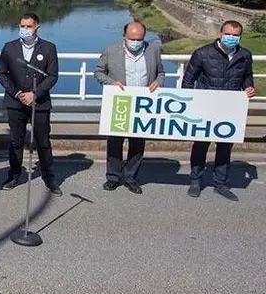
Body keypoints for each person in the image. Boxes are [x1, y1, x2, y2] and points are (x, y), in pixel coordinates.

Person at [181, 20, 256, 201]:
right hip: (205, 107)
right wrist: (191, 104)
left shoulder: (245, 55)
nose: (231, 37)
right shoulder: (202, 53)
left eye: (235, 35)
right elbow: (188, 81)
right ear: (220, 33)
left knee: (224, 147)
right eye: (228, 34)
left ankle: (220, 183)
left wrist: (249, 86)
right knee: (200, 146)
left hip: (230, 109)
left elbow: (247, 76)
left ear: (240, 36)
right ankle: (196, 181)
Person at [94, 21, 165, 194]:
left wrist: (158, 81)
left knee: (137, 143)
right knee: (115, 141)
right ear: (124, 36)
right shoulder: (111, 50)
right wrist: (111, 82)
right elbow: (98, 72)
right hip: (120, 102)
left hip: (142, 104)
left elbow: (161, 73)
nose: (136, 42)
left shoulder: (153, 50)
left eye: (139, 39)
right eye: (132, 39)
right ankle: (113, 177)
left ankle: (130, 176)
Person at [0, 12, 62, 196]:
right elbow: (1, 74)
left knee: (43, 141)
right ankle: (14, 175)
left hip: (39, 103)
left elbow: (52, 76)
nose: (25, 29)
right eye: (22, 26)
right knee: (16, 141)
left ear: (37, 28)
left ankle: (49, 178)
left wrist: (35, 94)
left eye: (29, 26)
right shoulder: (9, 48)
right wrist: (17, 93)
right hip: (15, 102)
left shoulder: (48, 48)